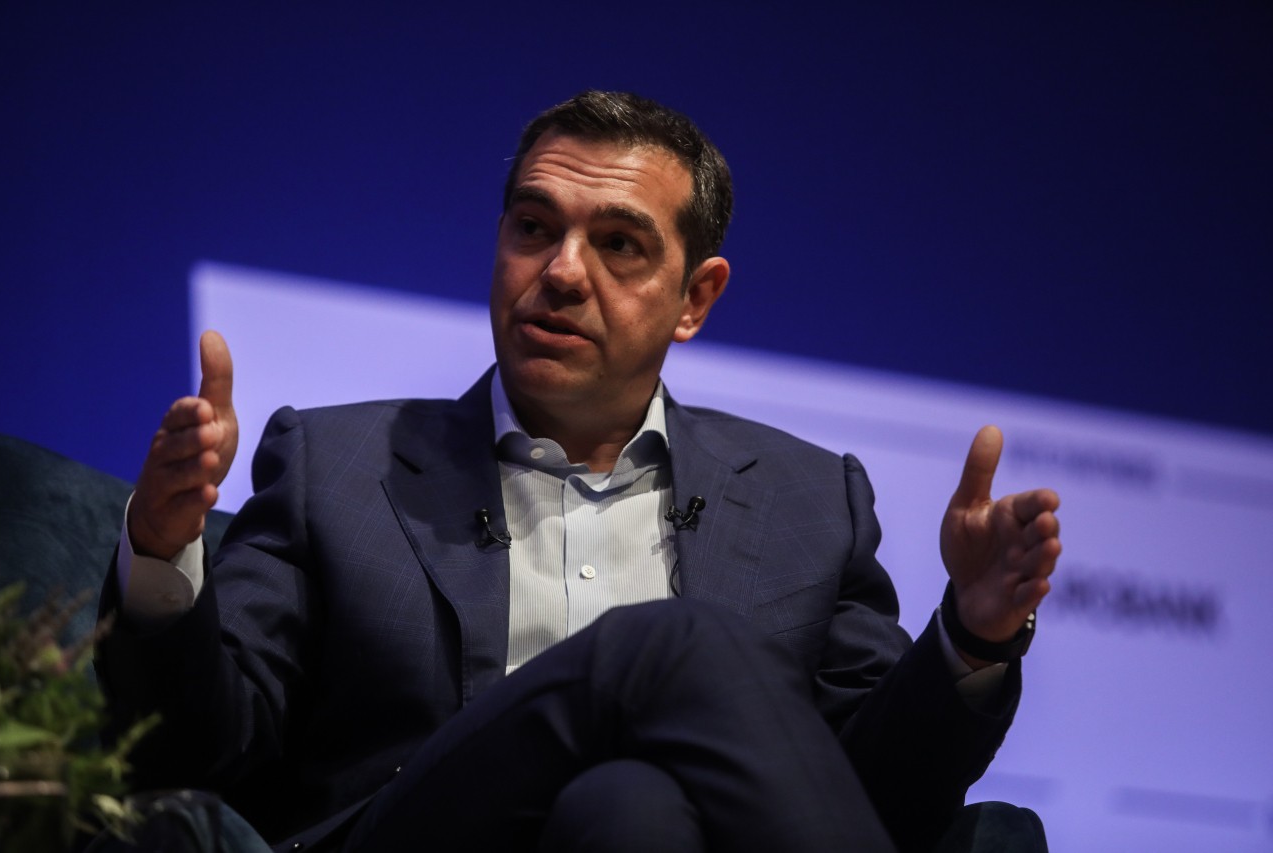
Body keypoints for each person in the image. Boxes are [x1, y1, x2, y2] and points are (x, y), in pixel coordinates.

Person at [97, 91, 1061, 853]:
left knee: (629, 807)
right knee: (672, 648)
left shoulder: (810, 501)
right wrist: (162, 551)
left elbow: (862, 794)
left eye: (618, 244)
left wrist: (971, 637)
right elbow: (202, 757)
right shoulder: (334, 464)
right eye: (532, 227)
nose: (560, 271)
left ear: (695, 298)